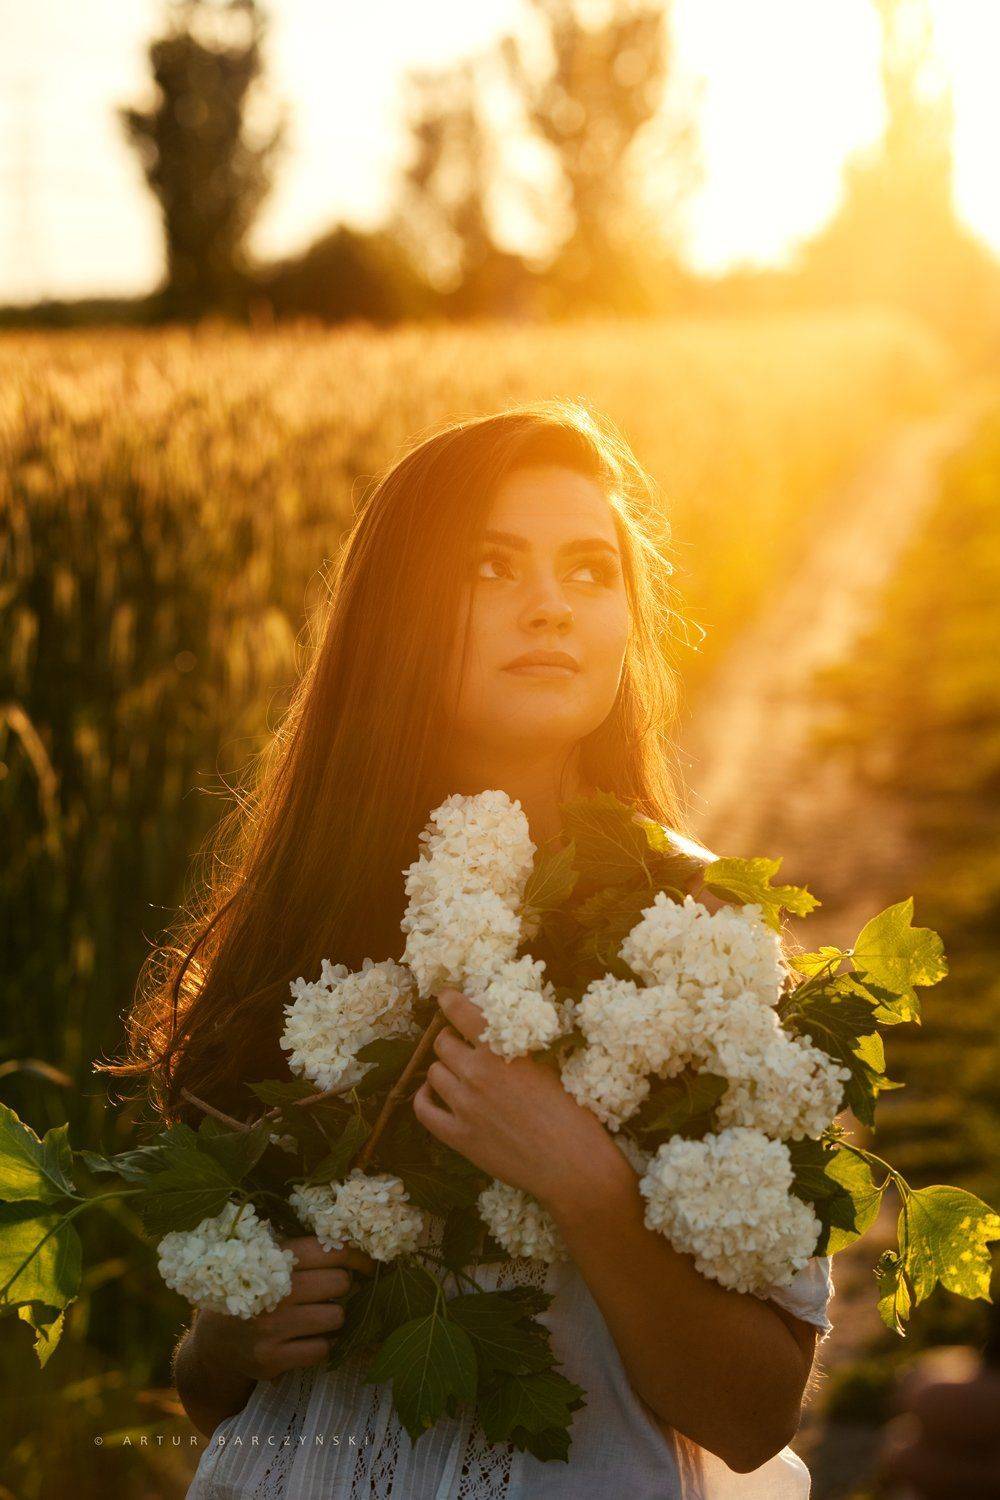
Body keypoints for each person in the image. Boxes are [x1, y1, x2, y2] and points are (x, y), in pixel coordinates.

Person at [101, 402, 835, 1499]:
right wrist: (221, 1343)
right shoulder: (299, 919)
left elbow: (750, 1413)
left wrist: (585, 1184)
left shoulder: (697, 934)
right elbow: (218, 1391)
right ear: (397, 611)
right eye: (493, 568)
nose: (551, 607)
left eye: (591, 572)